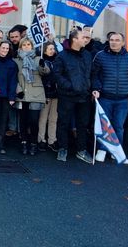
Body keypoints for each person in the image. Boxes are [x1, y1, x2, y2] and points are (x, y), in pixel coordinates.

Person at [92, 32, 128, 163]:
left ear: (123, 43)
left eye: (117, 40)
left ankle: (116, 150)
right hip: (105, 97)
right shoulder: (100, 56)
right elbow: (94, 74)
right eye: (111, 40)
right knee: (104, 125)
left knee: (118, 126)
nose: (114, 42)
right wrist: (96, 88)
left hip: (123, 99)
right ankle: (102, 149)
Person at [52, 28, 94, 163]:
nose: (86, 40)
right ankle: (62, 148)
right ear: (74, 39)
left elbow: (91, 73)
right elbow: (57, 75)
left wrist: (91, 88)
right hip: (67, 95)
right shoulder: (62, 56)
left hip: (84, 96)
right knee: (63, 122)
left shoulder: (87, 55)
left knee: (83, 124)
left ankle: (81, 150)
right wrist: (70, 86)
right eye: (83, 37)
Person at [14, 38, 49, 156]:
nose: (26, 46)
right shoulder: (16, 61)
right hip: (22, 94)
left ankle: (33, 143)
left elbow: (45, 72)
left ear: (32, 46)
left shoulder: (38, 59)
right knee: (23, 121)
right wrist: (18, 89)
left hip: (36, 94)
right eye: (24, 45)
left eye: (28, 44)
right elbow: (14, 78)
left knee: (34, 121)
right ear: (20, 47)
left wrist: (43, 66)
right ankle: (24, 142)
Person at [38, 42, 59, 152]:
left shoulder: (58, 61)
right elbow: (44, 72)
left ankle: (52, 140)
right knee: (43, 118)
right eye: (49, 49)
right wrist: (42, 65)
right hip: (46, 93)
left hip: (56, 93)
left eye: (53, 48)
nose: (52, 50)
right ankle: (41, 139)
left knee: (53, 118)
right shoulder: (42, 61)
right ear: (45, 50)